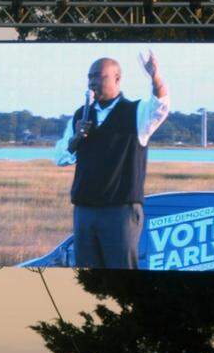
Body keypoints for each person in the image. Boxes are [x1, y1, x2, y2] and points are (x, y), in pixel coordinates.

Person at [53, 53, 170, 269]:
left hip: (120, 212)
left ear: (117, 79)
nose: (92, 82)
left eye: (99, 76)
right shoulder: (81, 115)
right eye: (90, 77)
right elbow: (60, 157)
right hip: (85, 210)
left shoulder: (136, 112)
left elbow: (160, 106)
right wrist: (76, 138)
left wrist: (155, 78)